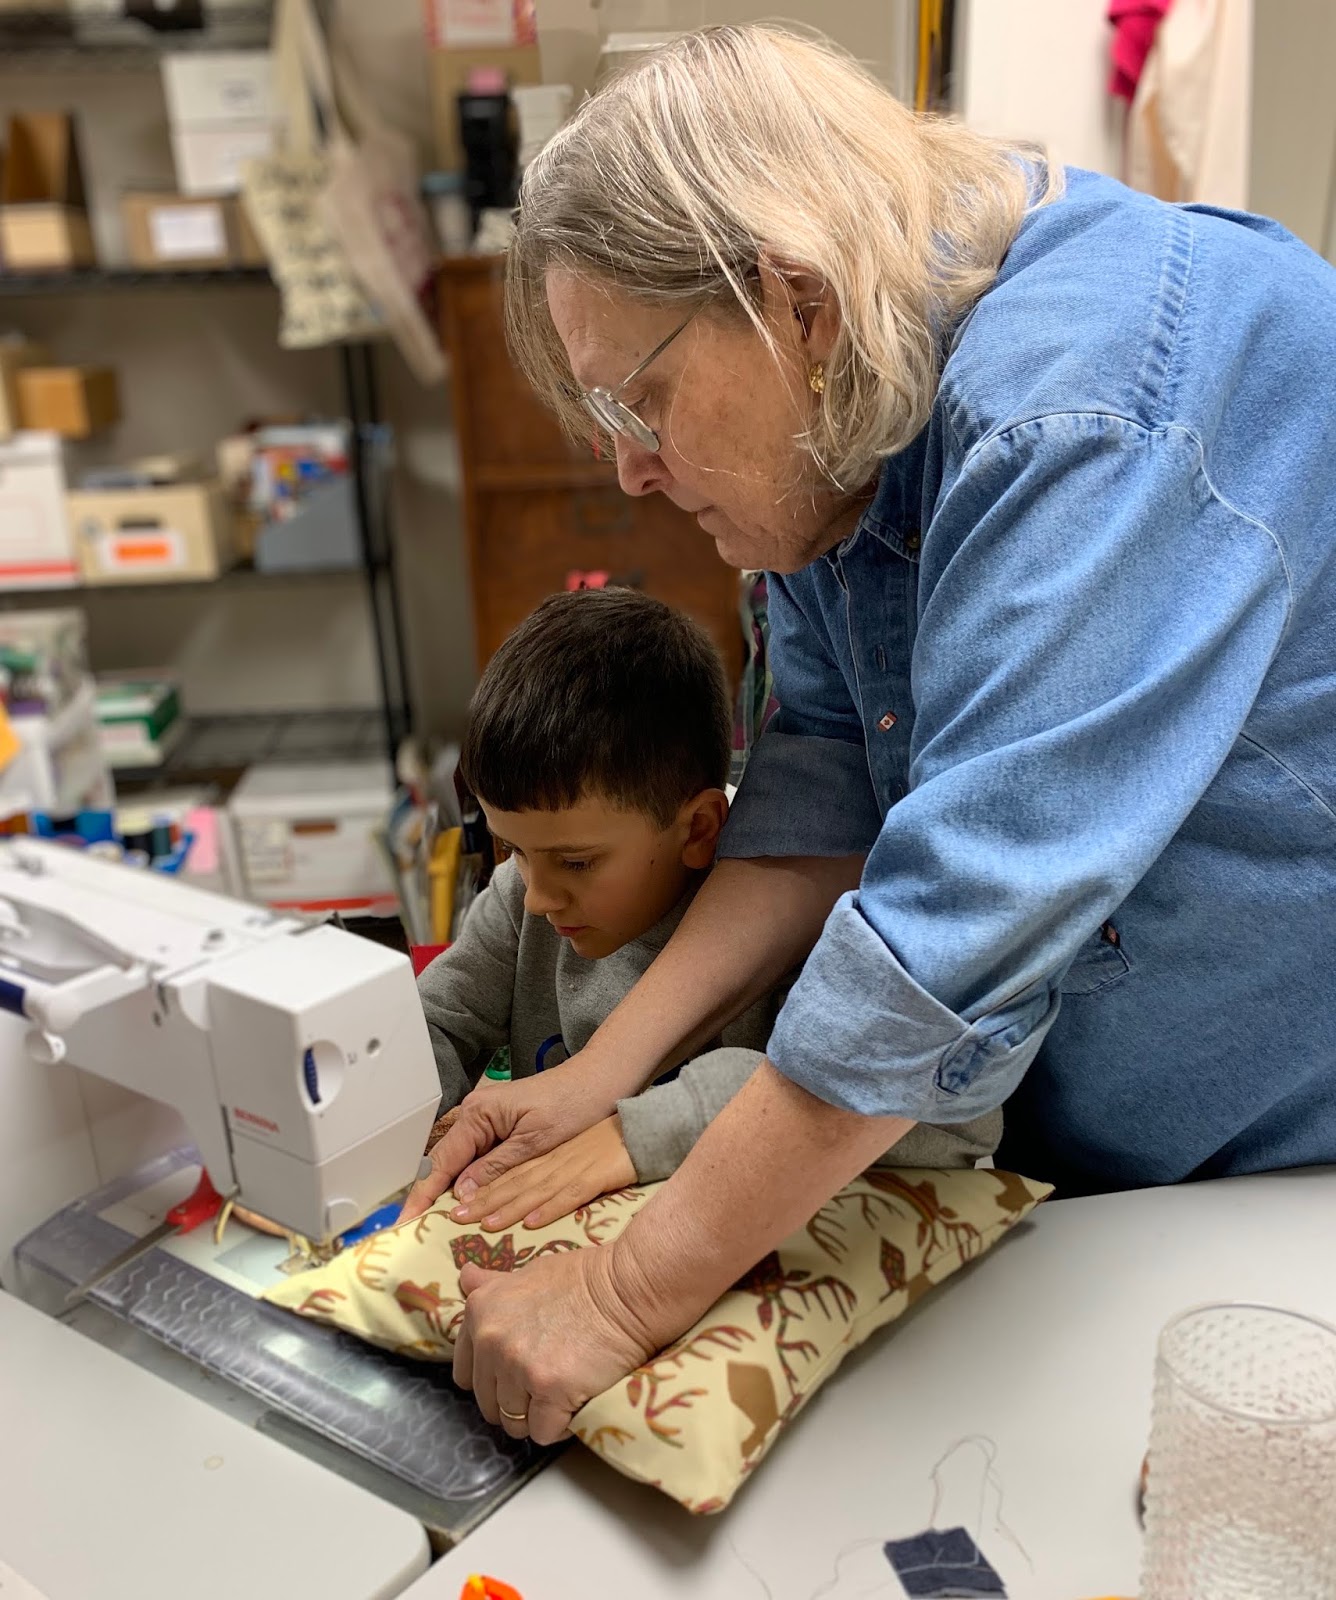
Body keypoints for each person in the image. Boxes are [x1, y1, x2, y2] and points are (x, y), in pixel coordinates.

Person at [407, 24, 1336, 1449]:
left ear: (796, 300)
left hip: (1285, 1168)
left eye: (642, 400)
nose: (629, 468)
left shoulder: (1083, 411)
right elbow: (822, 782)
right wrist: (605, 1074)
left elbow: (950, 935)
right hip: (1080, 1166)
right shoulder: (836, 423)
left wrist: (617, 1297)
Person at [403, 586, 998, 1232]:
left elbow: (955, 1116)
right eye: (513, 848)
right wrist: (380, 1124)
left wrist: (657, 1125)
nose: (540, 896)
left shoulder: (800, 922)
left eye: (576, 863)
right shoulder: (526, 894)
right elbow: (430, 1025)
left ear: (697, 829)